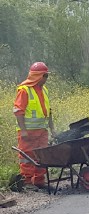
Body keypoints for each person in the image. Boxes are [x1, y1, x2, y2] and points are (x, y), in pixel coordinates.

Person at [13, 62, 56, 191]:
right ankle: (27, 182)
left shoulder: (44, 90)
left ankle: (39, 181)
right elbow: (18, 111)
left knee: (42, 156)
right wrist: (24, 130)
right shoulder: (24, 90)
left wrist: (52, 129)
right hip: (28, 133)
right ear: (39, 76)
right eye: (46, 75)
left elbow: (48, 112)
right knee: (27, 157)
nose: (47, 78)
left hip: (42, 131)